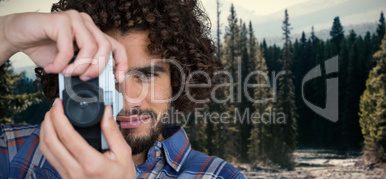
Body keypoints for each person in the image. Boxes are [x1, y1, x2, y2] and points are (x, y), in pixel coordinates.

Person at [0, 0, 245, 178]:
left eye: (147, 75)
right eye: (108, 76)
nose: (128, 100)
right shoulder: (12, 150)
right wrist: (7, 34)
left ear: (177, 81)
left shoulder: (219, 175)